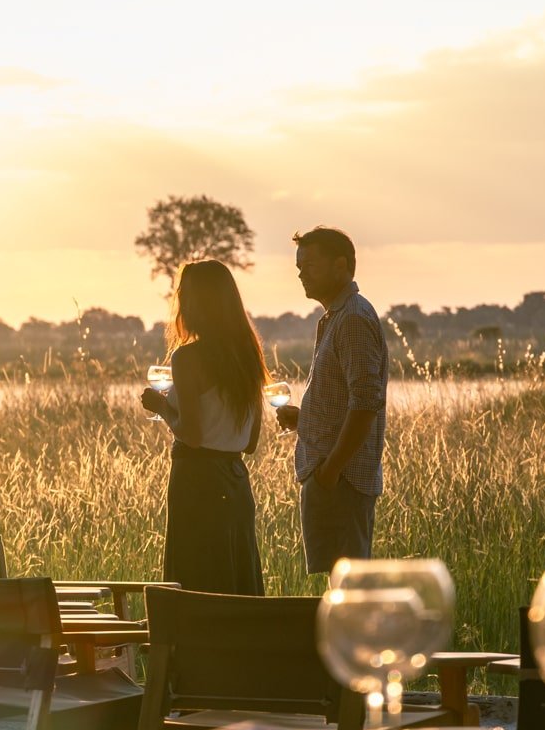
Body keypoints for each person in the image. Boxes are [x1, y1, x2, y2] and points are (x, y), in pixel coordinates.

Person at [138, 259, 266, 595]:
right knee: (236, 574)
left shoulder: (187, 358)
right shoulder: (249, 356)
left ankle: (194, 645)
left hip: (197, 482)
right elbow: (251, 442)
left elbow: (192, 435)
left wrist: (161, 407)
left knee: (196, 577)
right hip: (236, 481)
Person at [273, 225, 389, 573]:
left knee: (349, 588)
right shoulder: (337, 316)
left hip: (342, 482)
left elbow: (367, 402)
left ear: (341, 266)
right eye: (299, 266)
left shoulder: (352, 318)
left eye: (309, 265)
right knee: (338, 586)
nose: (300, 273)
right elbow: (347, 398)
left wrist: (330, 471)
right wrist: (304, 418)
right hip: (334, 478)